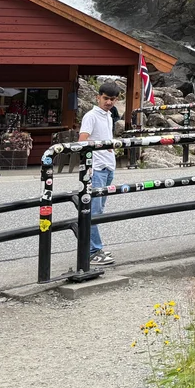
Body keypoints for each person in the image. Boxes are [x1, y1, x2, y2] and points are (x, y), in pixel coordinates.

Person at [79, 81, 121, 267]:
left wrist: (110, 148)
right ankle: (93, 251)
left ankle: (92, 248)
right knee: (93, 211)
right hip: (95, 168)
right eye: (106, 98)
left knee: (99, 211)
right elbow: (83, 140)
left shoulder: (109, 115)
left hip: (108, 166)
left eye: (112, 99)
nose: (109, 102)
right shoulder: (91, 116)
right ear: (98, 97)